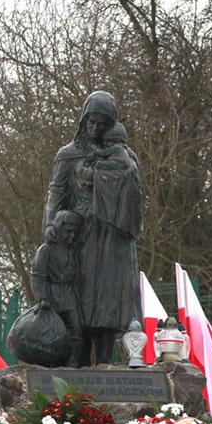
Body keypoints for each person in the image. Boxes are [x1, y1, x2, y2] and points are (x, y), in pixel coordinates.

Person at [43, 92, 142, 366]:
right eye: (91, 121)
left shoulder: (125, 155)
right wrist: (50, 225)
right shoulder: (68, 154)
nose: (95, 128)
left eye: (102, 122)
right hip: (79, 234)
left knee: (109, 299)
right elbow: (56, 191)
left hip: (111, 236)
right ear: (83, 119)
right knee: (79, 298)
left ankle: (107, 361)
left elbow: (134, 194)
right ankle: (79, 359)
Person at [30, 210, 84, 367]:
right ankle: (51, 363)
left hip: (69, 294)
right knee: (51, 333)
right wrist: (42, 297)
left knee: (76, 330)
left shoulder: (72, 250)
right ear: (60, 228)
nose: (72, 235)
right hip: (52, 295)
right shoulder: (45, 250)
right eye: (69, 231)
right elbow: (37, 275)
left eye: (74, 232)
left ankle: (72, 363)